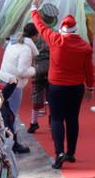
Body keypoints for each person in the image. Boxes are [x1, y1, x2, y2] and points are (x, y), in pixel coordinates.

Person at [30, 11, 90, 168]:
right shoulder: (85, 47)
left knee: (57, 119)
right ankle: (71, 152)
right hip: (76, 87)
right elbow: (88, 69)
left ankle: (59, 153)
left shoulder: (55, 39)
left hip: (56, 86)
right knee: (72, 119)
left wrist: (34, 9)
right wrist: (90, 86)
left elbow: (40, 26)